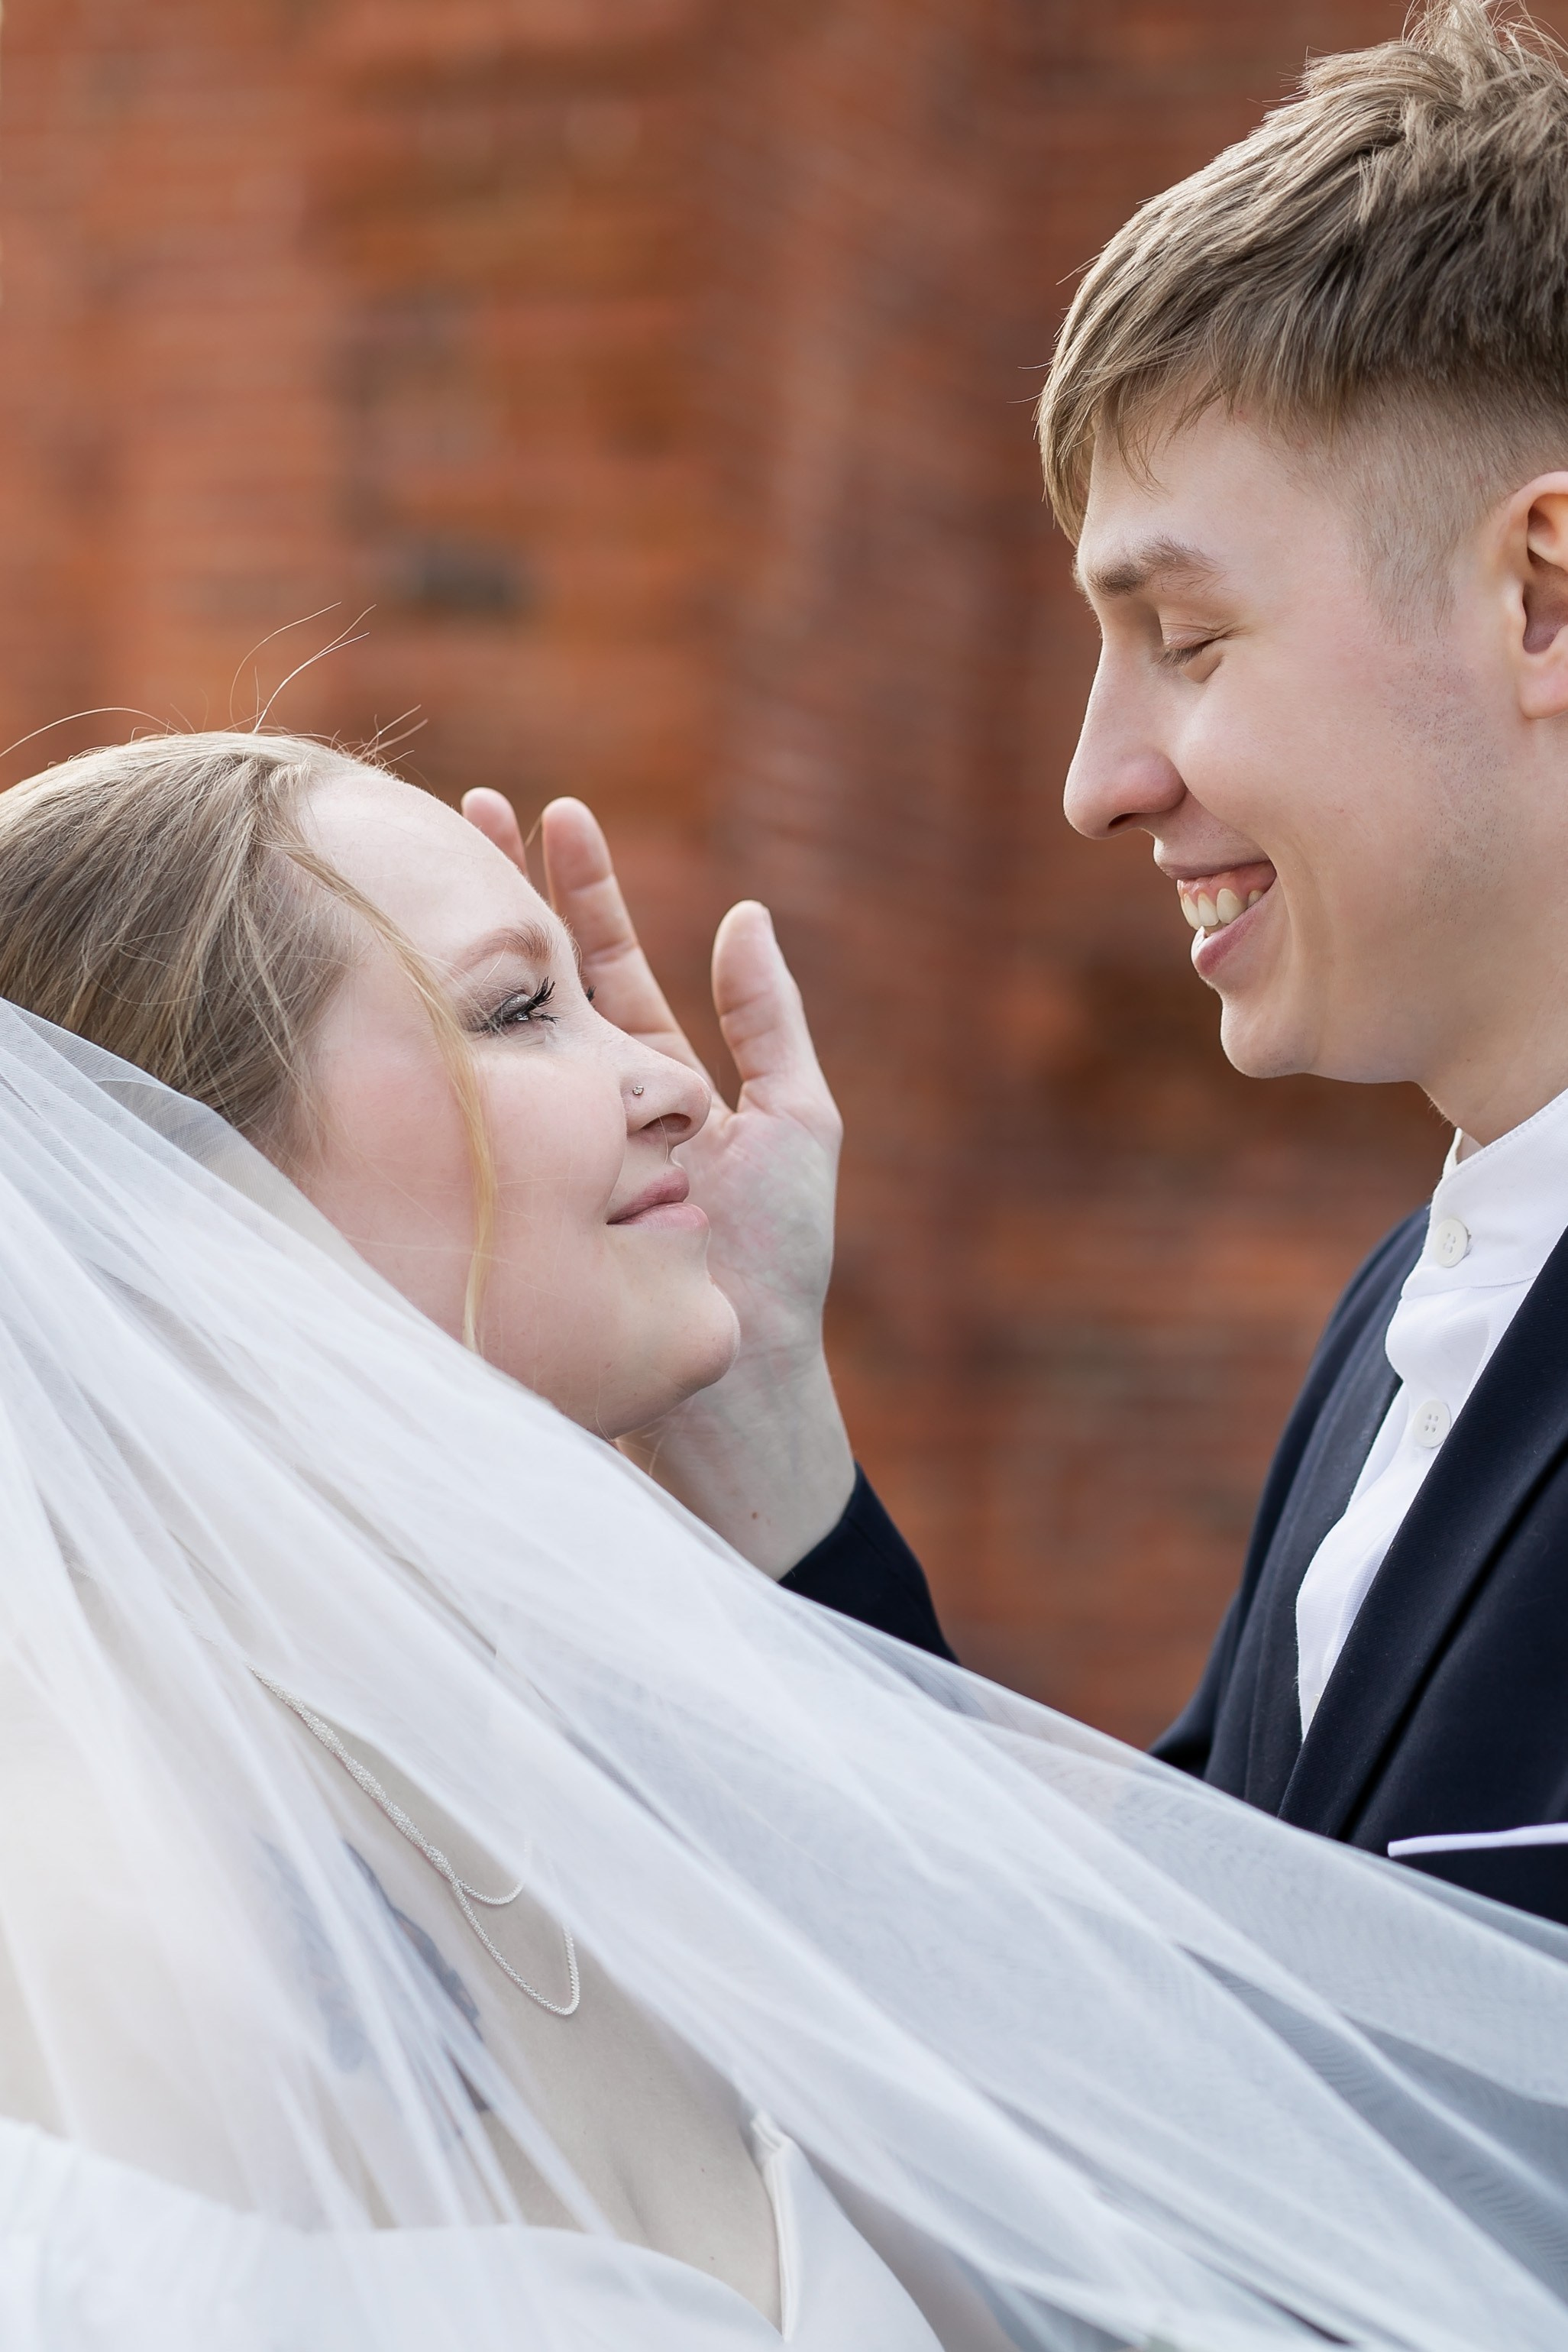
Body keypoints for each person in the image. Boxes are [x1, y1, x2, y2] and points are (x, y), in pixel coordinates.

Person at [2, 728, 1567, 2346]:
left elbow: (1195, 2172)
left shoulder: (651, 1826)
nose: (675, 1080)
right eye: (520, 1008)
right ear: (183, 1201)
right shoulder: (85, 1915)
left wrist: (751, 1400)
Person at [634, 0, 1568, 1934]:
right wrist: (764, 1422)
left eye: (1187, 636)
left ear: (1540, 597)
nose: (1092, 784)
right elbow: (1172, 2022)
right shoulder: (1415, 1303)